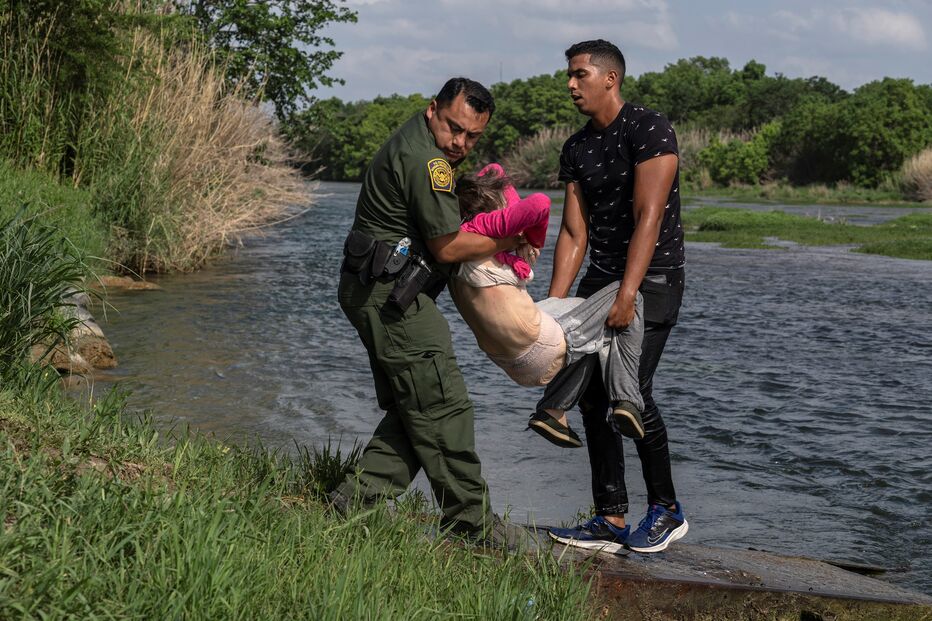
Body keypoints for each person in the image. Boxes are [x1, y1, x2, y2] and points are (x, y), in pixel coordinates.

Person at [331, 78, 523, 541]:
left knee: (416, 405)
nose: (460, 143)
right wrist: (510, 239)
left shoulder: (416, 142)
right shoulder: (427, 160)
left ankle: (354, 501)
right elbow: (447, 245)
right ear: (433, 109)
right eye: (453, 128)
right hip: (391, 297)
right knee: (442, 405)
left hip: (377, 289)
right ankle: (471, 527)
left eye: (473, 136)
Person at [544, 39, 689, 554]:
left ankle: (667, 510)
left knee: (632, 390)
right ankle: (609, 517)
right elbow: (572, 235)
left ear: (610, 78)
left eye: (579, 74)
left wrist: (628, 294)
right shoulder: (577, 147)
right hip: (599, 280)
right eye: (569, 75)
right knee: (590, 395)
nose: (570, 84)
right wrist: (554, 310)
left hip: (653, 280)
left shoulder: (649, 129)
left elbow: (649, 217)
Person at [449, 164, 646, 449]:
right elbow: (539, 203)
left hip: (507, 359)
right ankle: (627, 399)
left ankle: (553, 413)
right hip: (538, 349)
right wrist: (530, 236)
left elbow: (495, 170)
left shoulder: (459, 245)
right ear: (496, 213)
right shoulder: (491, 233)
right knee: (627, 297)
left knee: (588, 321)